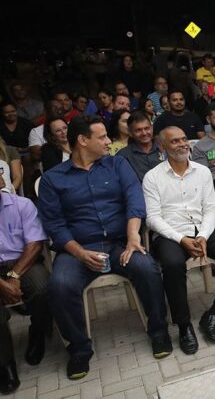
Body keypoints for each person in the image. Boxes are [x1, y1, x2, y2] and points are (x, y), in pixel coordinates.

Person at [38, 115, 171, 379]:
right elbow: (54, 224)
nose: (109, 141)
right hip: (77, 249)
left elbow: (135, 200)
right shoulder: (53, 179)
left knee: (147, 268)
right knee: (59, 286)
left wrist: (133, 236)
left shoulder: (117, 164)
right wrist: (79, 253)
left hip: (119, 244)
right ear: (82, 140)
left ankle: (159, 331)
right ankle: (79, 349)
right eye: (102, 137)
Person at [143, 126, 215, 354]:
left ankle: (214, 312)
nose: (182, 144)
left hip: (201, 230)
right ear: (162, 147)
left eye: (184, 140)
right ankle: (183, 325)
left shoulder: (202, 172)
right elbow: (152, 219)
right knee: (172, 264)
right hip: (170, 234)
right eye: (175, 141)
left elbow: (211, 208)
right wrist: (181, 239)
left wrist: (202, 235)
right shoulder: (152, 177)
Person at [0, 175, 50, 394]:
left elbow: (35, 244)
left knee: (42, 287)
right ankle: (5, 365)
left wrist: (13, 276)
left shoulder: (21, 205)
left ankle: (38, 333)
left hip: (22, 263)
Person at [116, 111, 163, 182]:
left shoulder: (164, 149)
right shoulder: (123, 156)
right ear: (130, 133)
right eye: (138, 130)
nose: (144, 133)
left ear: (152, 128)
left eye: (147, 128)